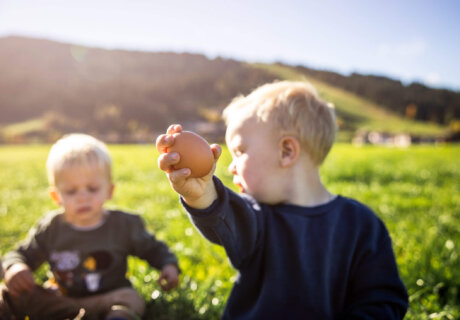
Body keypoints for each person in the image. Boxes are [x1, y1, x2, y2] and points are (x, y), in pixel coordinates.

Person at [156, 81, 408, 319]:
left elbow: (383, 298)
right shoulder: (256, 219)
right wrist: (202, 193)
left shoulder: (362, 226)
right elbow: (226, 216)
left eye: (240, 151)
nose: (231, 166)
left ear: (286, 152)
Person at [1, 133, 180, 320]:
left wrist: (168, 265)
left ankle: (117, 318)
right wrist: (16, 267)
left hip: (109, 299)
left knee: (131, 299)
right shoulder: (52, 228)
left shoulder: (123, 225)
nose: (82, 197)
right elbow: (21, 254)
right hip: (61, 300)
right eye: (71, 191)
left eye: (92, 189)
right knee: (9, 293)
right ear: (56, 196)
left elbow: (152, 248)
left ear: (109, 190)